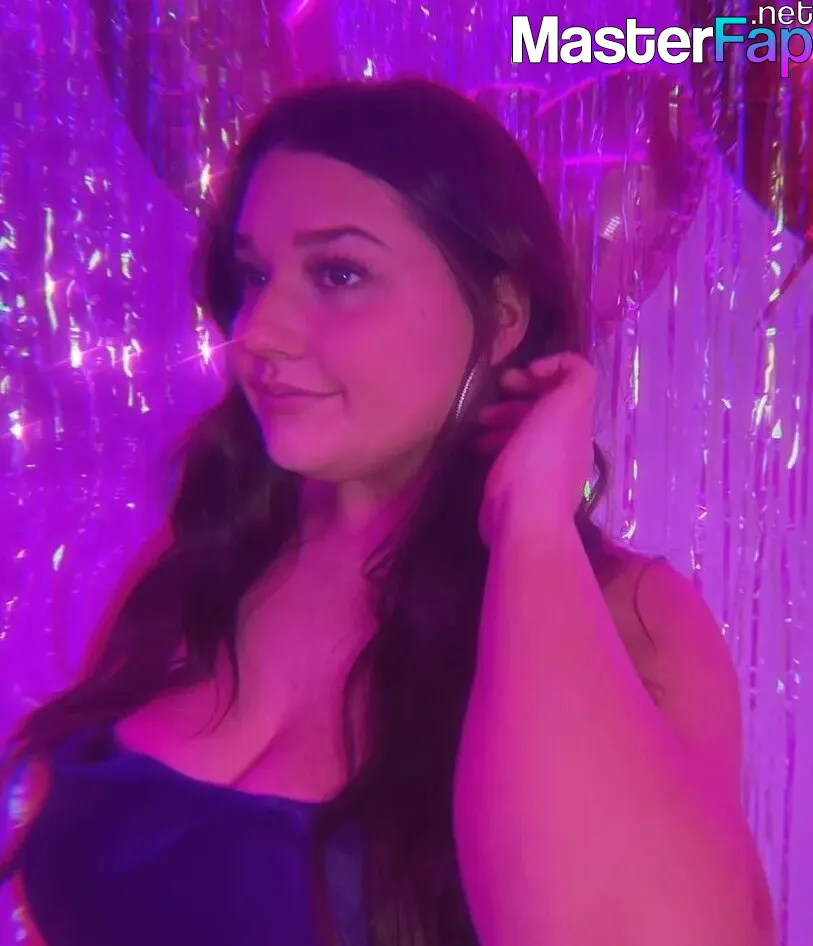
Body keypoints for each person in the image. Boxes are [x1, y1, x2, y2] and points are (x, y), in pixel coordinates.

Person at [0, 77, 774, 946]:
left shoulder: (632, 617)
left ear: (502, 315)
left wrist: (529, 525)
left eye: (339, 273)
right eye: (254, 275)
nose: (257, 332)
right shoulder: (200, 560)